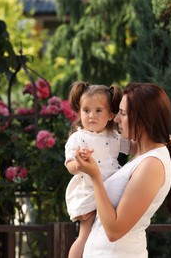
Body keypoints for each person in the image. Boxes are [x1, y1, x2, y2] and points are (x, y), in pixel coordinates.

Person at [74, 82, 171, 257]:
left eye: (123, 113)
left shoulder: (152, 165)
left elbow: (114, 231)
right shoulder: (142, 155)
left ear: (144, 118)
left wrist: (95, 176)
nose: (116, 119)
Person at [64, 81, 133, 258]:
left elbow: (134, 148)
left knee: (100, 236)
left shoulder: (114, 136)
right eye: (86, 110)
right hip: (88, 191)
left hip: (109, 191)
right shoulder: (78, 138)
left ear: (110, 115)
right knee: (85, 236)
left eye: (98, 111)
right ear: (79, 111)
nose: (91, 116)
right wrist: (79, 163)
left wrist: (157, 142)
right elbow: (70, 166)